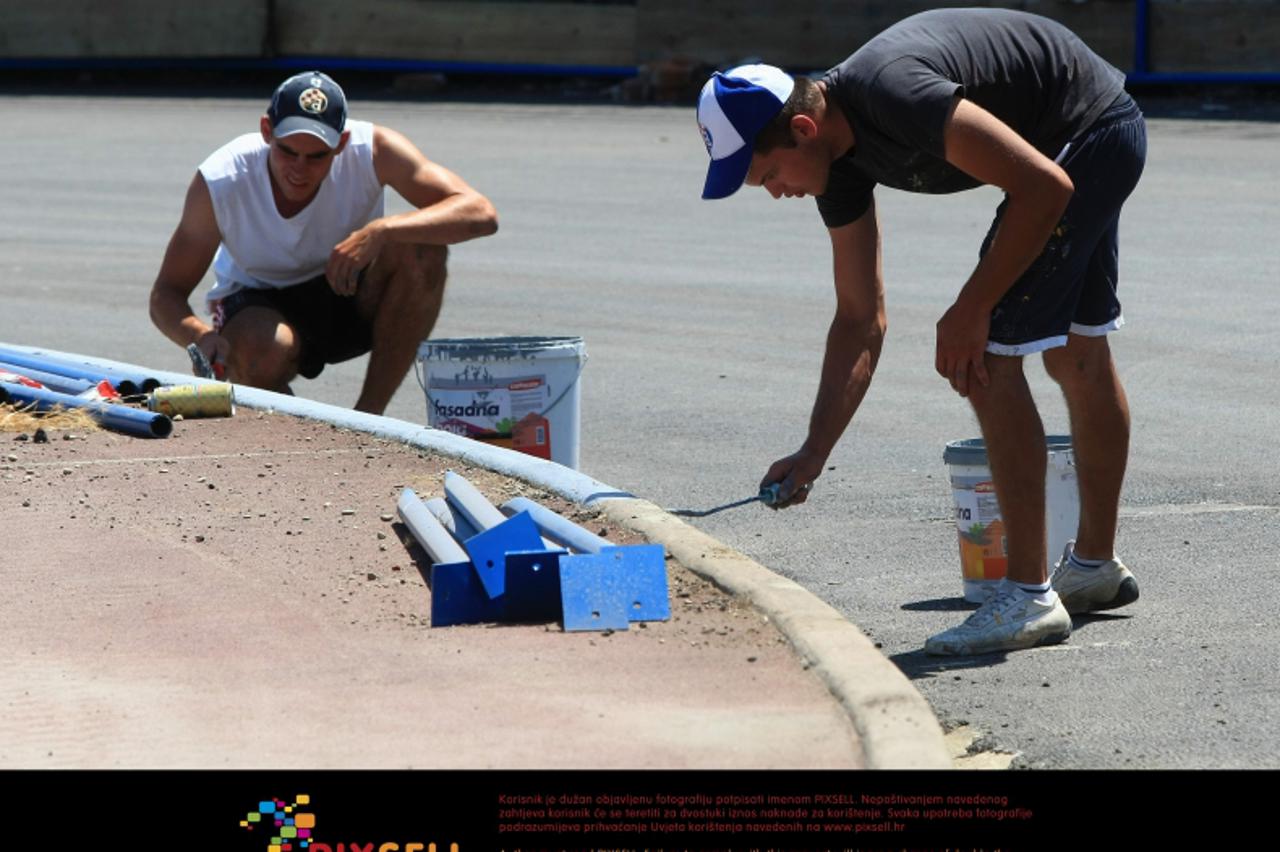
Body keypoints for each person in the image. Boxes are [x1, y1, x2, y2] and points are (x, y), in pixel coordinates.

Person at [695, 8, 1145, 655]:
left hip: (1089, 134)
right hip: (1083, 141)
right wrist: (814, 449)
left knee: (981, 353)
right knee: (1076, 355)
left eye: (768, 175)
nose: (774, 193)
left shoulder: (890, 91)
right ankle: (1094, 568)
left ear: (801, 128)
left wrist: (972, 306)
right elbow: (859, 317)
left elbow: (1045, 188)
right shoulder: (835, 163)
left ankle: (1026, 595)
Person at [150, 71, 497, 414]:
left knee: (422, 248)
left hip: (348, 286)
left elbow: (480, 212)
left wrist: (383, 229)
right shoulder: (222, 179)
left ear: (342, 144)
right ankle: (292, 431)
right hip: (260, 304)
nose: (299, 169)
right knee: (258, 353)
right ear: (267, 132)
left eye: (317, 156)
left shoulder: (373, 150)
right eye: (287, 151)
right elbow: (166, 293)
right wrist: (199, 336)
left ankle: (369, 420)